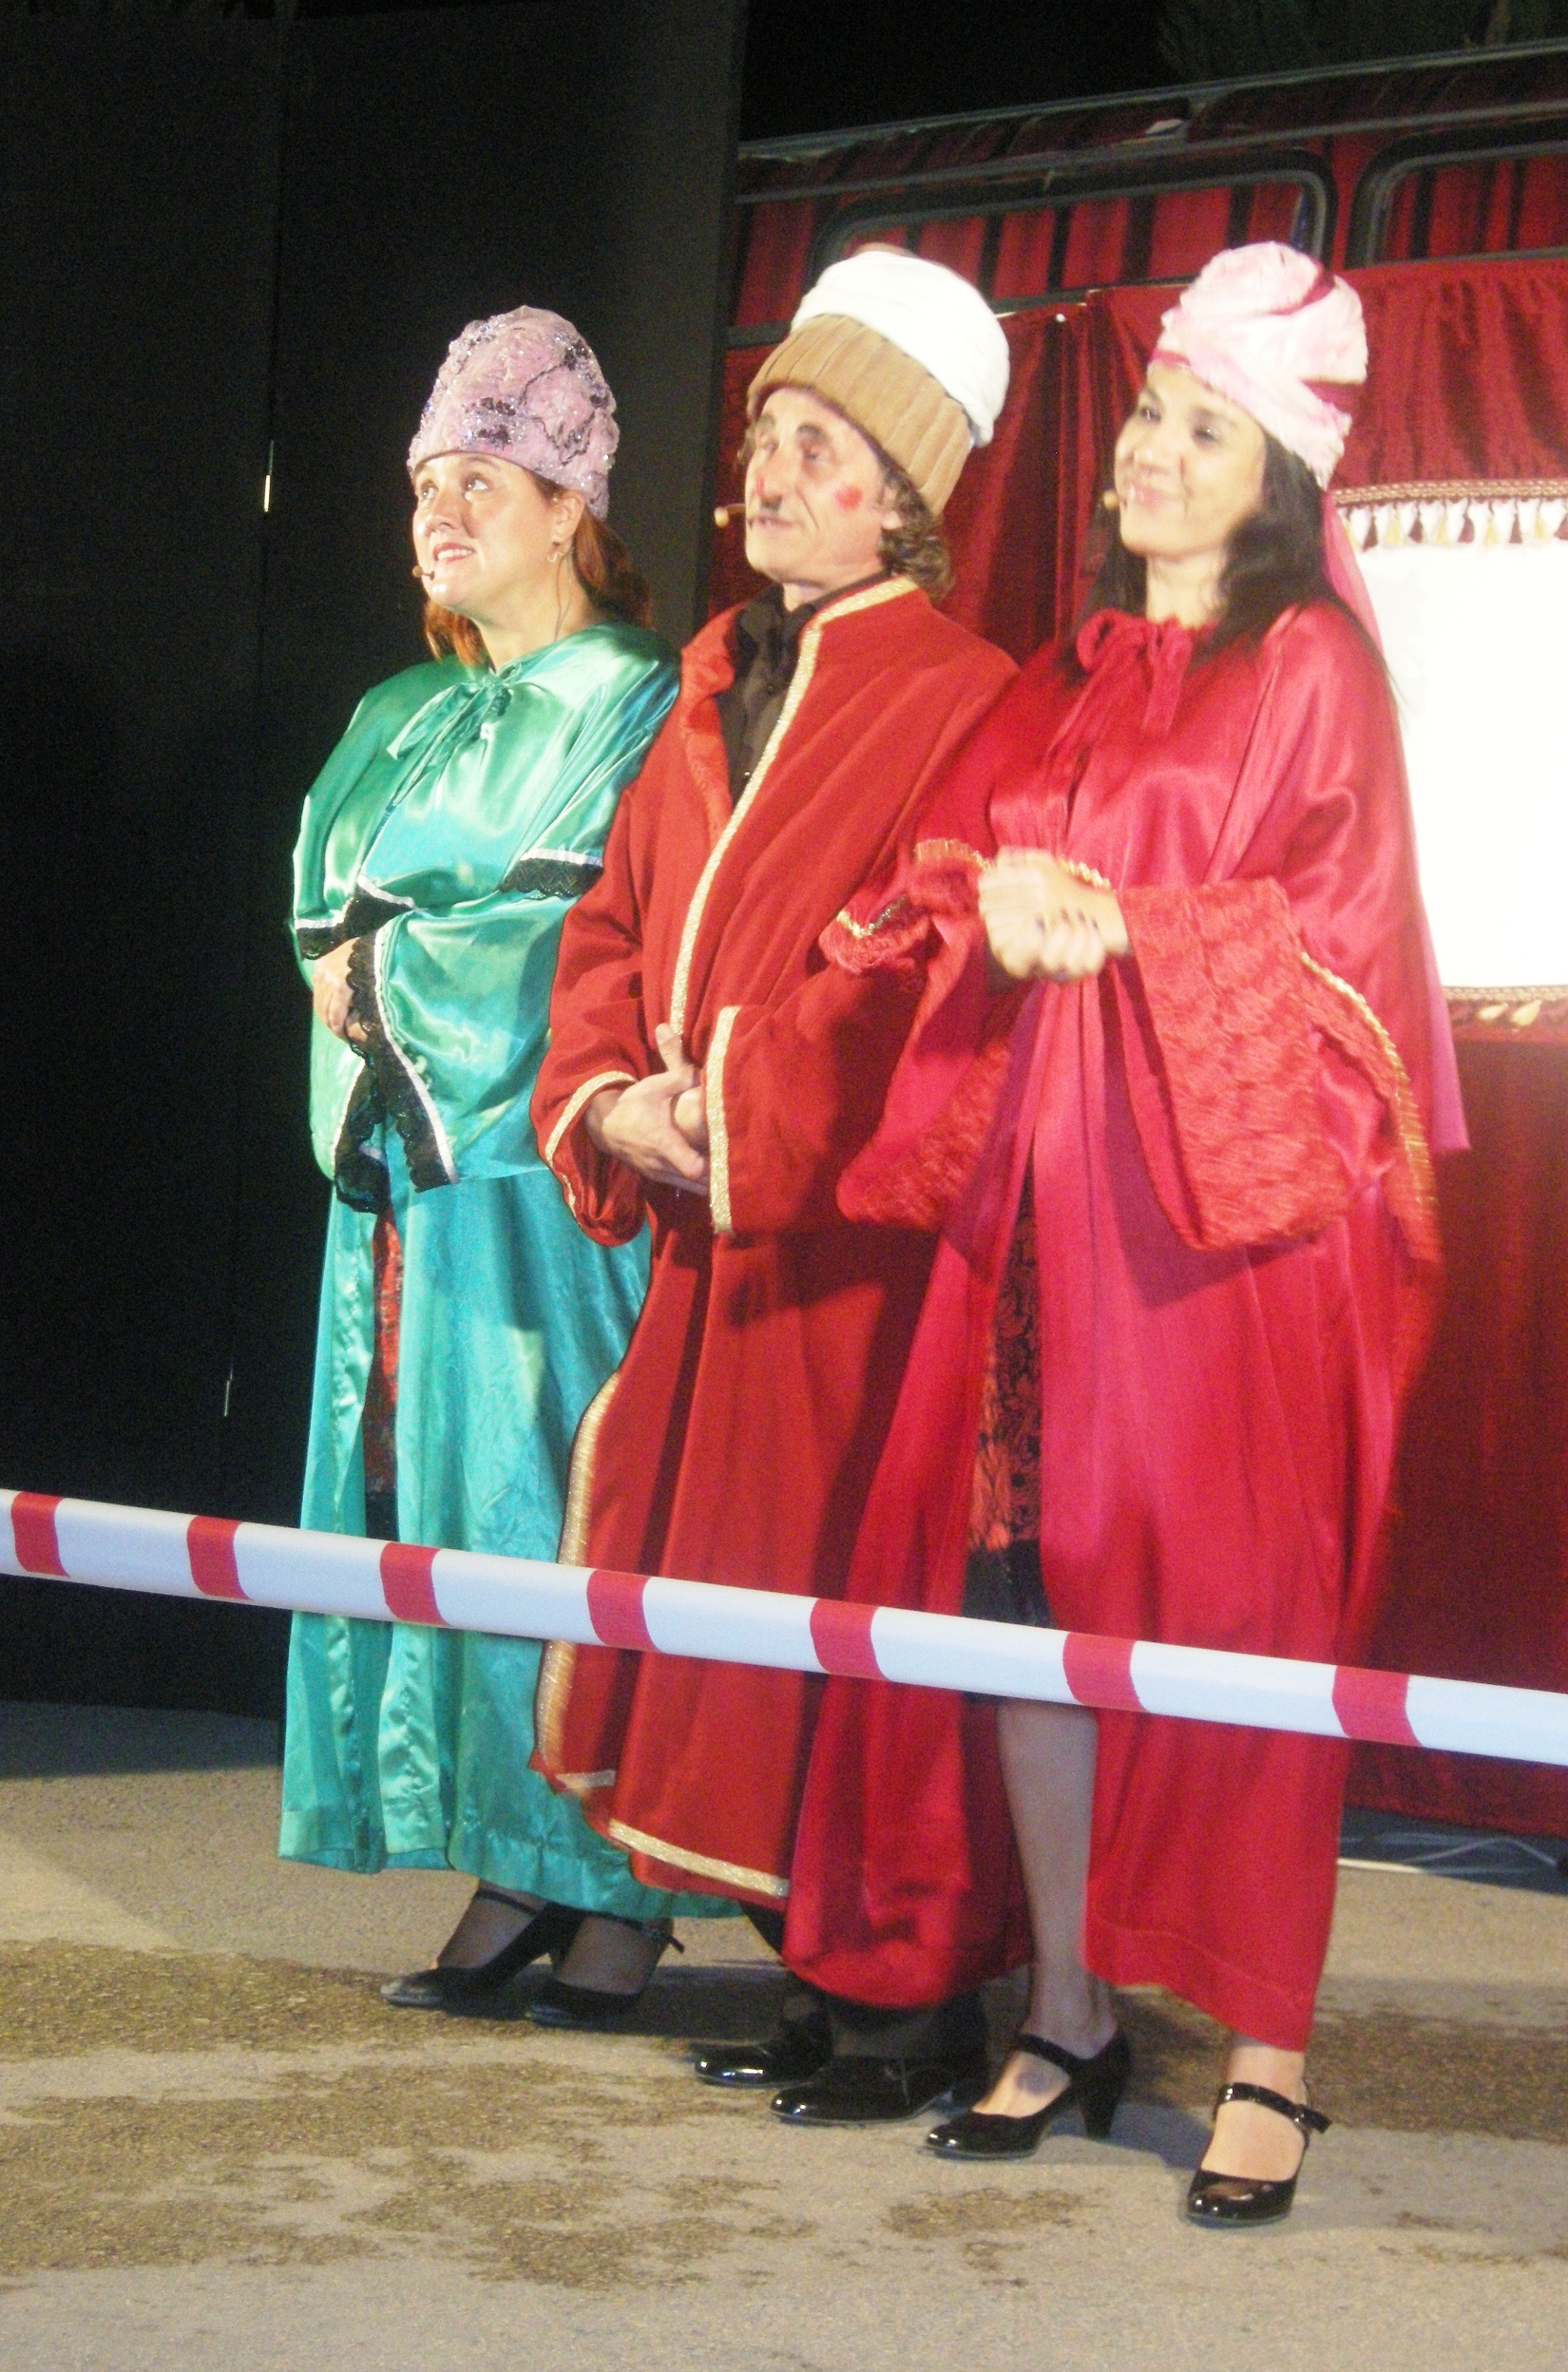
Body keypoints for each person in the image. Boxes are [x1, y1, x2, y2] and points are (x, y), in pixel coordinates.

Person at [783, 243, 1466, 2221]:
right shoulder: (1066, 671)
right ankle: (1068, 2010)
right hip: (1032, 1232)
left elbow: (1341, 972)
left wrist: (1122, 929)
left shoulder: (1309, 671)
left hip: (1215, 1255)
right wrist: (985, 907)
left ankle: (1267, 2057)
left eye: (1199, 430)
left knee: (1236, 1635)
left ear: (1280, 477)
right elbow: (936, 871)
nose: (1146, 453)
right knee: (1021, 1610)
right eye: (1150, 414)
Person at [529, 248, 1019, 2115]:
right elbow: (608, 921)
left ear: (902, 496)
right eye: (766, 435)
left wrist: (729, 1104)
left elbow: (919, 960)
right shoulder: (715, 678)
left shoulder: (963, 697)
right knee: (726, 1610)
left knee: (847, 1610)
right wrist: (606, 1099)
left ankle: (908, 2000)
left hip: (849, 1257)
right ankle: (821, 1975)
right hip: (709, 1241)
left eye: (819, 446)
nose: (769, 473)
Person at [279, 305, 717, 2026]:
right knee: (442, 1507)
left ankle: (616, 1877)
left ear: (565, 507)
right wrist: (356, 967)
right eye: (424, 486)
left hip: (549, 1185)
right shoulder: (398, 708)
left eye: (480, 480)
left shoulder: (634, 700)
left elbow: (583, 933)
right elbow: (320, 907)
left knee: (556, 1498)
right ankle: (510, 1856)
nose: (441, 514)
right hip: (412, 1179)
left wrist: (385, 966)